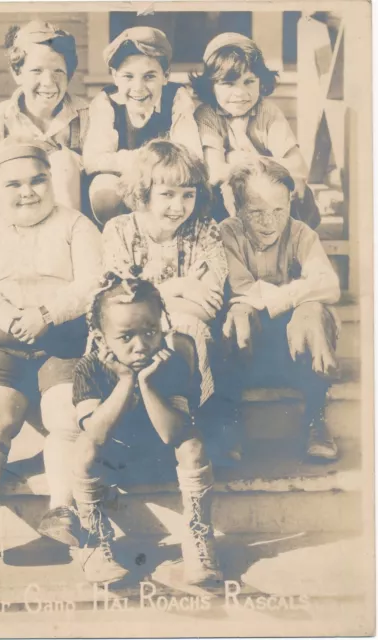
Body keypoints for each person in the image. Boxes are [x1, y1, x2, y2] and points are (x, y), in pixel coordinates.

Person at [0, 139, 102, 546]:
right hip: (1, 341)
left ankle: (62, 510)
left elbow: (91, 283)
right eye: (14, 184)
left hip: (62, 340)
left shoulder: (76, 225)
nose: (28, 191)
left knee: (62, 413)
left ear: (52, 181)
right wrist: (7, 315)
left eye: (38, 180)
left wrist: (45, 314)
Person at [71, 273, 223, 585]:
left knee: (192, 445)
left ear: (163, 328)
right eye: (126, 337)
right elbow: (97, 435)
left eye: (150, 332)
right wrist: (126, 381)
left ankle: (197, 537)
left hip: (162, 460)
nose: (141, 346)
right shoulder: (88, 368)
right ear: (101, 340)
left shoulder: (172, 363)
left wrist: (146, 383)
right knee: (83, 447)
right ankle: (95, 542)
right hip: (115, 466)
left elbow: (172, 435)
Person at [219, 157, 340, 461]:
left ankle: (316, 418)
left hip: (295, 344)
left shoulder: (300, 233)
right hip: (251, 346)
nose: (269, 223)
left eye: (278, 211)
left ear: (290, 203)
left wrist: (291, 301)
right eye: (256, 212)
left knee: (313, 313)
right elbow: (242, 288)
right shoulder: (227, 233)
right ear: (236, 209)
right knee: (238, 315)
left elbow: (329, 283)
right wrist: (296, 293)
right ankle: (230, 420)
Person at [101, 139, 229, 409]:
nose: (179, 206)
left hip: (187, 343)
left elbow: (208, 305)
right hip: (128, 339)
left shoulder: (205, 231)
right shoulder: (119, 230)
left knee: (186, 328)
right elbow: (119, 305)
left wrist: (146, 296)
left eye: (188, 195)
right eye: (167, 194)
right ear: (143, 193)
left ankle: (181, 414)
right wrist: (179, 286)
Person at [192, 32, 321, 229]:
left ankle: (293, 241)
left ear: (261, 81)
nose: (241, 93)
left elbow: (298, 166)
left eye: (249, 82)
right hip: (230, 207)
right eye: (228, 84)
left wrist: (240, 160)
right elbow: (215, 171)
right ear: (211, 86)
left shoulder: (266, 111)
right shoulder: (207, 115)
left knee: (299, 188)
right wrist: (262, 164)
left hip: (270, 199)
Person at [82, 26, 203, 227]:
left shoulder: (177, 98)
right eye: (128, 76)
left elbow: (191, 155)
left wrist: (147, 169)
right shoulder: (106, 102)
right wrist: (148, 161)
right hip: (124, 182)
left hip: (167, 184)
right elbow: (94, 160)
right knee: (103, 188)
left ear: (165, 75)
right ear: (114, 76)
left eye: (149, 76)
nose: (138, 88)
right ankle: (119, 243)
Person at [0, 20, 88, 212]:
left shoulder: (85, 115)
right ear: (17, 73)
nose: (48, 82)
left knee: (63, 162)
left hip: (69, 214)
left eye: (58, 71)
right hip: (19, 215)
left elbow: (97, 169)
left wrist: (64, 160)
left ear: (69, 75)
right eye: (36, 71)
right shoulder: (1, 117)